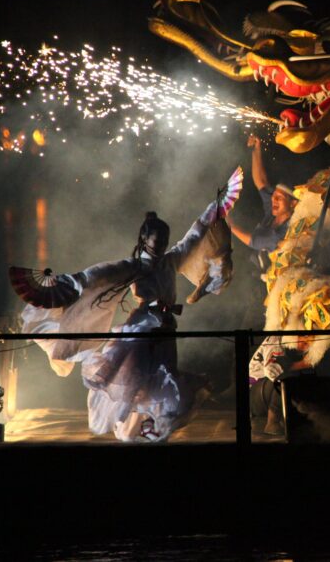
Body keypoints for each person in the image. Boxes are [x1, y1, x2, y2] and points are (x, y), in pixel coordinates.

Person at [13, 173, 240, 441]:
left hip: (166, 329)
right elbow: (94, 275)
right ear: (145, 240)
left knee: (159, 383)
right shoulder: (133, 266)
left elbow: (197, 231)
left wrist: (215, 206)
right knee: (134, 385)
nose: (161, 247)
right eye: (157, 243)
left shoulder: (171, 260)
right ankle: (129, 431)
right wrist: (65, 283)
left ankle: (143, 430)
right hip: (141, 330)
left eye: (164, 242)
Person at [226, 135, 299, 329]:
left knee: (256, 328)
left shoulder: (290, 227)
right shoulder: (274, 211)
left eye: (280, 198)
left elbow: (255, 241)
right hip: (257, 279)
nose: (274, 200)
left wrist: (230, 224)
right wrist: (256, 149)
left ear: (293, 203)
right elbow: (261, 181)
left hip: (272, 290)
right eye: (274, 196)